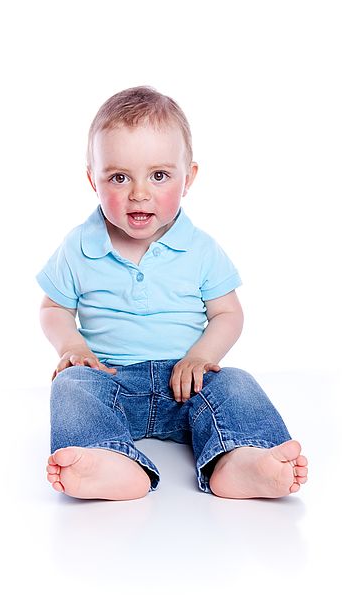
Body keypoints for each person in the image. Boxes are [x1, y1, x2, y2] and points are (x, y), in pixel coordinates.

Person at [37, 85, 308, 501]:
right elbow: (53, 307)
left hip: (186, 384)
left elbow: (227, 314)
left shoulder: (200, 249)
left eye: (159, 175)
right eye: (119, 177)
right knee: (71, 384)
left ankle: (244, 459)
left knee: (235, 382)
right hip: (110, 380)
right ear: (93, 180)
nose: (139, 193)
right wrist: (71, 346)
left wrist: (203, 357)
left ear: (189, 178)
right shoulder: (78, 246)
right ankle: (108, 459)